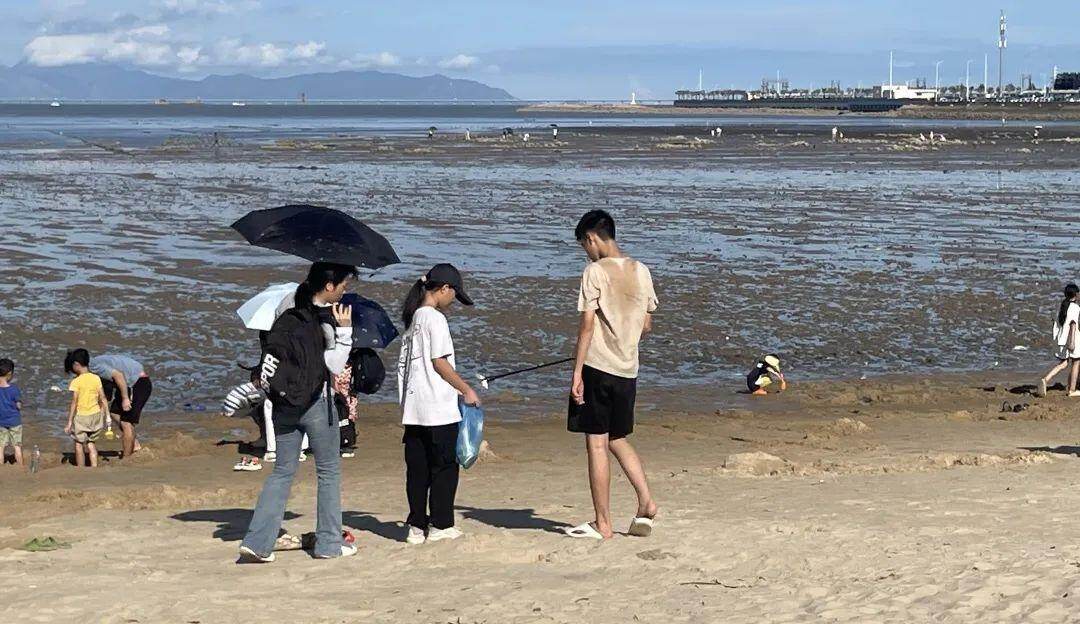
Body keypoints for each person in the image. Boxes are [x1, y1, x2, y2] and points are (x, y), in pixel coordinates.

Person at [238, 262, 358, 563]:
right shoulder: (325, 320)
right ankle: (329, 544)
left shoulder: (285, 308)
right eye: (343, 285)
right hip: (317, 403)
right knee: (328, 472)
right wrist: (345, 331)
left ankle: (257, 542)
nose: (344, 291)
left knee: (282, 471)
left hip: (282, 403)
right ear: (329, 286)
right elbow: (333, 365)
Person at [566, 209, 659, 541]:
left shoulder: (594, 272)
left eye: (584, 245)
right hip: (627, 370)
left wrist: (576, 372)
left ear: (592, 238)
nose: (586, 252)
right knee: (616, 437)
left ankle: (602, 523)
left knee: (596, 443)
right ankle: (646, 500)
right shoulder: (641, 270)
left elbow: (587, 325)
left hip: (598, 368)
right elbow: (646, 324)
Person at [397, 264, 479, 545]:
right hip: (438, 408)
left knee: (417, 471)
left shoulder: (412, 321)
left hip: (413, 410)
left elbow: (404, 369)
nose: (453, 300)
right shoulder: (435, 318)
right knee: (444, 467)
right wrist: (466, 389)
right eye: (454, 294)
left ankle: (416, 525)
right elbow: (439, 362)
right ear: (444, 289)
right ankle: (441, 524)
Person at [90, 353, 152, 459]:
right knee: (114, 413)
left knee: (126, 422)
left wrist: (125, 399)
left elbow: (118, 375)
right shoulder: (97, 368)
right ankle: (134, 444)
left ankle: (127, 458)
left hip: (137, 383)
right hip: (127, 384)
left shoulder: (94, 366)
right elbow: (106, 395)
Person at [64, 349, 111, 468]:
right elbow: (103, 398)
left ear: (76, 364)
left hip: (82, 417)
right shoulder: (96, 378)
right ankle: (94, 467)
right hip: (96, 416)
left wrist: (69, 422)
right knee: (91, 443)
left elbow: (74, 402)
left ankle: (81, 468)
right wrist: (107, 416)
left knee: (79, 444)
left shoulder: (76, 381)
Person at [1038, 283, 1080, 397]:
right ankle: (1072, 389)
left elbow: (1056, 323)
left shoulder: (1062, 306)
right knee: (1076, 362)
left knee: (1064, 363)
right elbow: (1073, 325)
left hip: (1061, 338)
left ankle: (1045, 379)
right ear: (1076, 295)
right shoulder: (1075, 308)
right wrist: (1072, 342)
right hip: (1072, 338)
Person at [0, 358, 23, 467]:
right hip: (14, 422)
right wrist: (19, 406)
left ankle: (1, 466)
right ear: (9, 374)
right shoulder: (14, 389)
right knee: (17, 446)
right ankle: (20, 467)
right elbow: (18, 406)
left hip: (1, 422)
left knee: (0, 446)